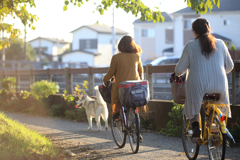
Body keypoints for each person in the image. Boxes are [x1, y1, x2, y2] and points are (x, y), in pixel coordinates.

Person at [175, 18, 234, 142]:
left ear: (194, 31)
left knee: (192, 102)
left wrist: (177, 74)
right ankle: (216, 128)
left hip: (198, 85)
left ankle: (196, 128)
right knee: (216, 105)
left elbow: (180, 69)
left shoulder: (190, 45)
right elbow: (230, 66)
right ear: (208, 28)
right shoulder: (221, 43)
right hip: (220, 85)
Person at [103, 35, 148, 141]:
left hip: (121, 88)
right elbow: (141, 72)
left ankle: (117, 116)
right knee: (134, 106)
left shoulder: (116, 57)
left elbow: (111, 73)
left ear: (120, 45)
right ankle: (137, 130)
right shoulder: (137, 56)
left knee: (117, 99)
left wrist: (105, 79)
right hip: (135, 87)